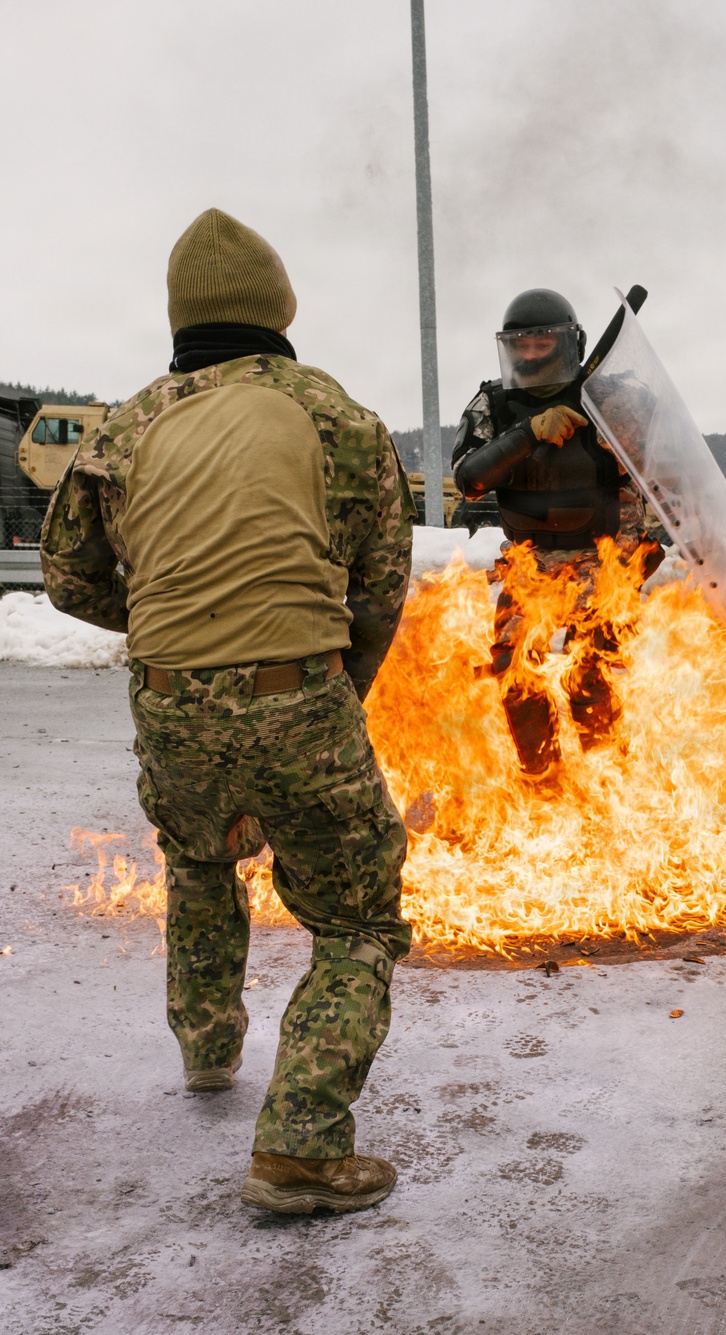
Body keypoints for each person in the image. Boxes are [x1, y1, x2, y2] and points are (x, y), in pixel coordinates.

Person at [41, 208, 415, 1216]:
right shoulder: (337, 417)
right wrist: (335, 689)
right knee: (357, 919)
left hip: (168, 699)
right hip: (298, 694)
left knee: (199, 855)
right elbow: (379, 588)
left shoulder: (125, 422)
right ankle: (300, 1147)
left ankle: (208, 1049)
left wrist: (171, 625)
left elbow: (68, 581)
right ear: (279, 309)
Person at [452, 288, 663, 777]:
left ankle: (606, 778)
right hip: (530, 559)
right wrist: (527, 434)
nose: (530, 355)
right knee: (514, 669)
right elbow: (470, 480)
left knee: (588, 673)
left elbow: (660, 464)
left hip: (604, 555)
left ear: (567, 344)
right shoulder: (494, 403)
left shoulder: (612, 396)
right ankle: (541, 778)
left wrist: (607, 422)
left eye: (541, 344)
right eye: (521, 346)